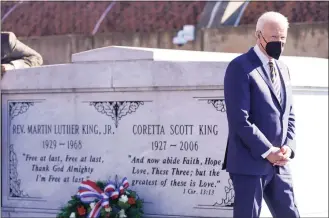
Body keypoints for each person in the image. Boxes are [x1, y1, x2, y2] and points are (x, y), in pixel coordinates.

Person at [222, 11, 299, 218]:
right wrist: (267, 150)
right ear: (258, 35)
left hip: (280, 164)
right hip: (249, 163)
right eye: (274, 38)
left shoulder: (283, 68)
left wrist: (288, 149)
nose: (279, 43)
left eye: (283, 38)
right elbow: (240, 119)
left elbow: (288, 114)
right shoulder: (240, 67)